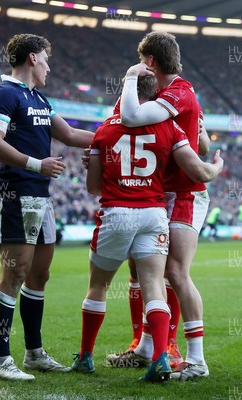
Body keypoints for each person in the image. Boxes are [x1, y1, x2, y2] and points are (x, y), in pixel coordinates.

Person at [71, 76, 223, 382]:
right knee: (153, 280)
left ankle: (87, 355)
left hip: (119, 213)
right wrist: (216, 167)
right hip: (153, 212)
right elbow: (200, 155)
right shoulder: (169, 125)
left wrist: (102, 162)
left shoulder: (106, 129)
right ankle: (156, 355)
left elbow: (92, 187)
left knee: (100, 285)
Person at [0, 33, 94, 381]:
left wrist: (122, 133)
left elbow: (72, 136)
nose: (48, 66)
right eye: (45, 59)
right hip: (15, 192)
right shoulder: (3, 94)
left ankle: (33, 353)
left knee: (39, 275)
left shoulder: (39, 99)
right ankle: (1, 360)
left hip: (40, 196)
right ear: (32, 58)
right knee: (13, 275)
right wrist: (36, 164)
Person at [108, 31, 213, 381]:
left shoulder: (178, 91)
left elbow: (132, 118)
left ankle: (190, 357)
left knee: (175, 273)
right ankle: (144, 346)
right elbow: (202, 138)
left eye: (142, 60)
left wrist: (128, 77)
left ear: (149, 61)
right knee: (142, 271)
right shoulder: (174, 93)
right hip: (157, 194)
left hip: (185, 192)